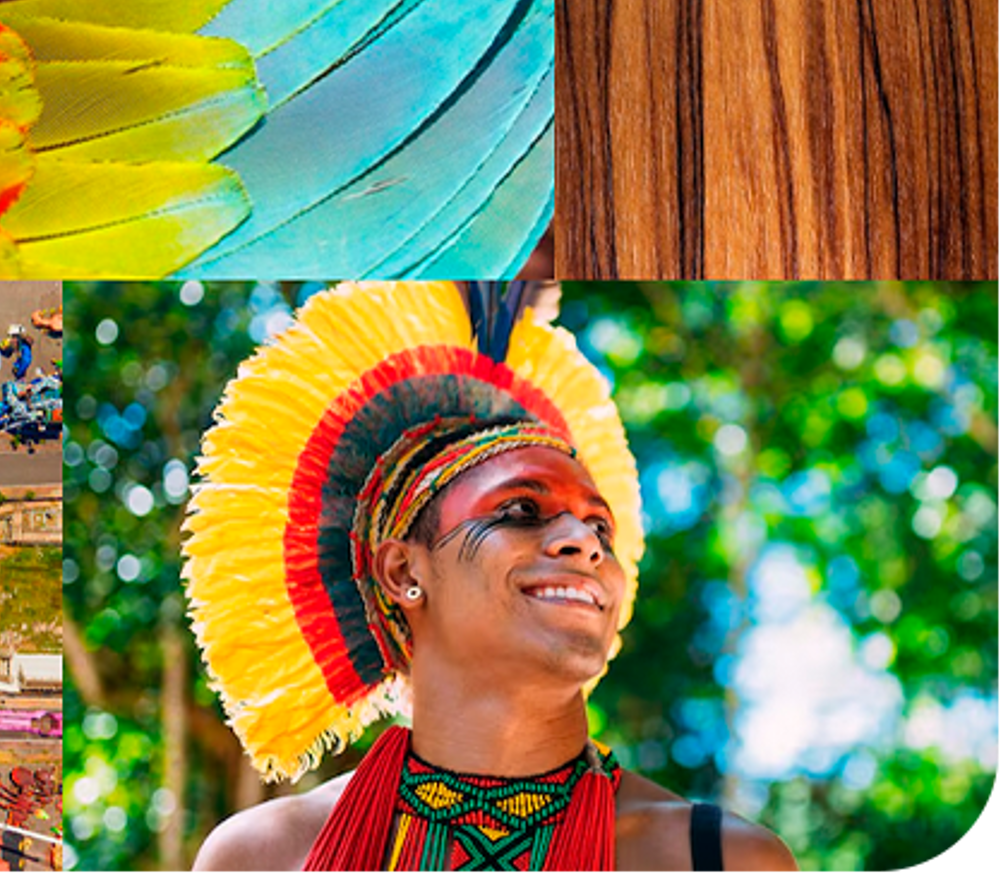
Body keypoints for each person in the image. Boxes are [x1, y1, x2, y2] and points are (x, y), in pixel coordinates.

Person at [182, 282, 797, 873]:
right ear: (404, 572)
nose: (583, 544)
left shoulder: (724, 861)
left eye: (598, 529)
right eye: (520, 511)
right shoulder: (262, 857)